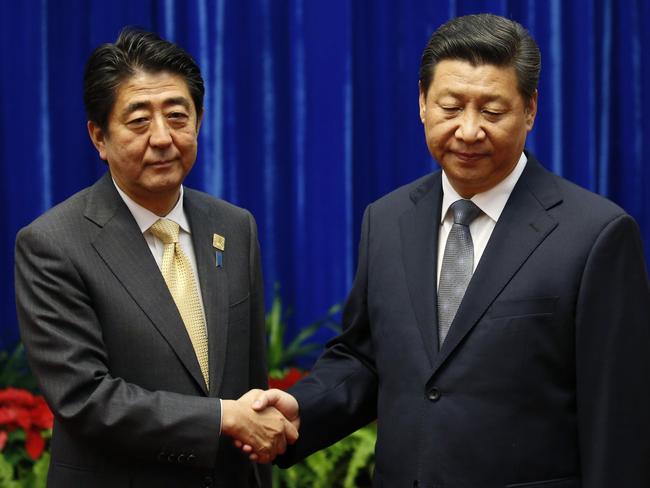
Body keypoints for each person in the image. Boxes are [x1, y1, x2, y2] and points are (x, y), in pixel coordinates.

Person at [251, 13, 650, 487]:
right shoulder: (387, 218)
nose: (468, 130)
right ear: (422, 103)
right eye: (451, 106)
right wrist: (301, 408)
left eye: (492, 111)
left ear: (530, 109)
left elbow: (617, 421)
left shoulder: (596, 234)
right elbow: (366, 357)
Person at [14, 28, 297, 488]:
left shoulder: (234, 226)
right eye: (139, 121)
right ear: (99, 137)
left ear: (199, 121)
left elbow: (251, 382)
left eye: (177, 116)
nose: (163, 138)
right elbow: (85, 399)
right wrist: (221, 418)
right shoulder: (53, 244)